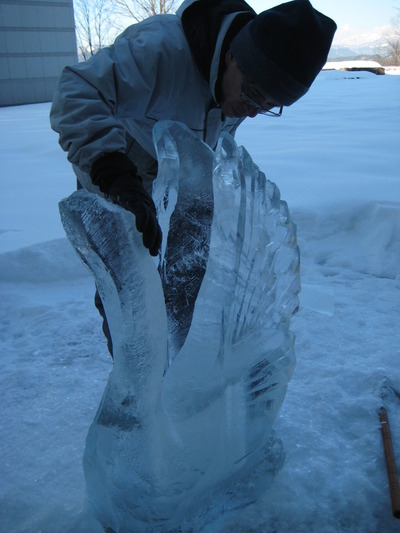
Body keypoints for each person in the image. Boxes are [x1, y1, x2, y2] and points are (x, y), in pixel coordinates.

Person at [50, 0, 336, 355]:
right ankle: (140, 385)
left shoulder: (242, 86)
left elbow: (216, 136)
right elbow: (77, 90)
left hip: (184, 174)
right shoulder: (161, 49)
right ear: (234, 56)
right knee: (129, 288)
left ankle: (186, 377)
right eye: (252, 96)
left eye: (268, 106)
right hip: (117, 164)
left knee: (193, 278)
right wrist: (115, 177)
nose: (252, 111)